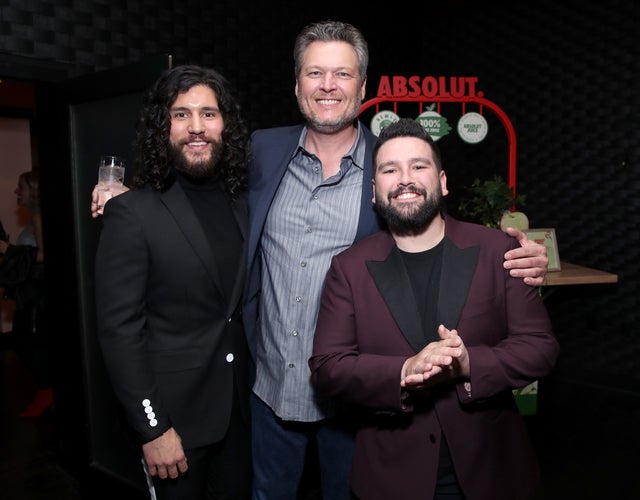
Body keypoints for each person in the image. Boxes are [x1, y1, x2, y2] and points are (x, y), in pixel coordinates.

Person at [243, 20, 549, 500]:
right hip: (270, 388)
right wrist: (128, 197)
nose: (328, 86)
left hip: (362, 407)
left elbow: (437, 238)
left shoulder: (391, 167)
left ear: (363, 87)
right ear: (296, 83)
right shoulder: (262, 150)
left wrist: (518, 258)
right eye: (315, 73)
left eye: (342, 75)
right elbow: (207, 200)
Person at [309, 118, 559, 500]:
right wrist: (405, 370)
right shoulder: (349, 268)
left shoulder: (500, 251)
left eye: (418, 166)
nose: (405, 179)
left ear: (442, 182)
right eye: (390, 170)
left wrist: (469, 364)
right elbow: (328, 368)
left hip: (492, 470)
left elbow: (540, 348)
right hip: (392, 478)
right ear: (374, 192)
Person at [94, 65, 252, 500]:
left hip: (241, 417)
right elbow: (119, 331)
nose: (197, 128)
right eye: (181, 115)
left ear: (225, 124)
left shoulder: (244, 202)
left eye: (208, 113)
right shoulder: (132, 213)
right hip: (173, 427)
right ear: (161, 127)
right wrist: (152, 428)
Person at [0, 170, 51, 418]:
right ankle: (45, 393)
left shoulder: (40, 216)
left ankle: (47, 393)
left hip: (35, 294)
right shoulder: (35, 215)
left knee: (28, 342)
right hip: (31, 292)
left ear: (33, 189)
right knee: (25, 342)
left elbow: (43, 255)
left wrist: (8, 250)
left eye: (21, 186)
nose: (16, 191)